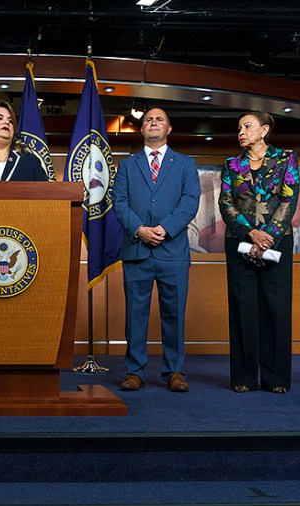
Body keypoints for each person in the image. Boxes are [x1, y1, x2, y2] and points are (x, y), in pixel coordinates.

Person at [112, 106, 201, 392]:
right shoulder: (126, 166)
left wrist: (164, 229)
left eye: (159, 119)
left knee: (174, 313)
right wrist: (140, 230)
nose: (153, 122)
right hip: (137, 250)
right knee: (135, 314)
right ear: (141, 129)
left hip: (172, 251)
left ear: (169, 129)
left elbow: (190, 200)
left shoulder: (186, 165)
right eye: (148, 119)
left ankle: (174, 371)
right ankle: (134, 371)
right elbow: (120, 203)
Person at [219, 111, 300, 394]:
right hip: (240, 241)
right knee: (243, 309)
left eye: (248, 126)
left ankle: (275, 379)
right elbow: (226, 203)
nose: (241, 131)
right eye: (239, 126)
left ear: (264, 130)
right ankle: (243, 377)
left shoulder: (285, 159)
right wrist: (249, 233)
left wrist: (269, 237)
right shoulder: (231, 164)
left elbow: (289, 198)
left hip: (276, 242)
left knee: (275, 309)